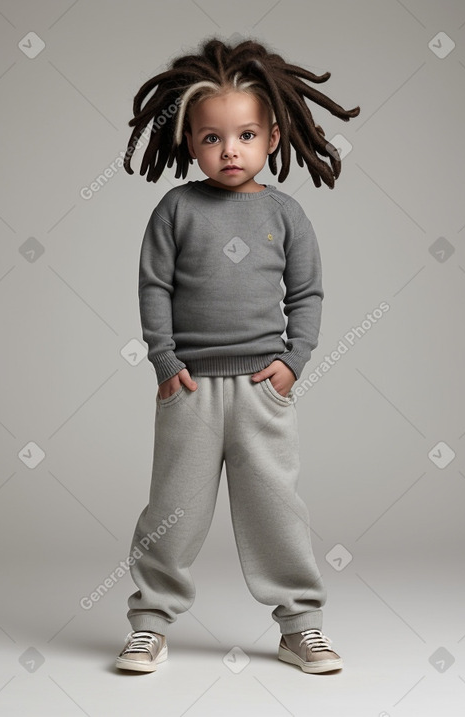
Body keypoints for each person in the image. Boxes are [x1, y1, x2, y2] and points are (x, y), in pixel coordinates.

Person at [115, 36, 360, 675]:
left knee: (277, 509)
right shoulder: (176, 209)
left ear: (273, 138)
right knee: (173, 511)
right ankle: (149, 625)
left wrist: (294, 362)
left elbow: (306, 293)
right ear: (189, 141)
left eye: (246, 135)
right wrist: (165, 363)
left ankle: (300, 626)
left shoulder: (286, 213)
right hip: (190, 389)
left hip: (261, 389)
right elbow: (154, 287)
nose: (230, 151)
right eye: (212, 138)